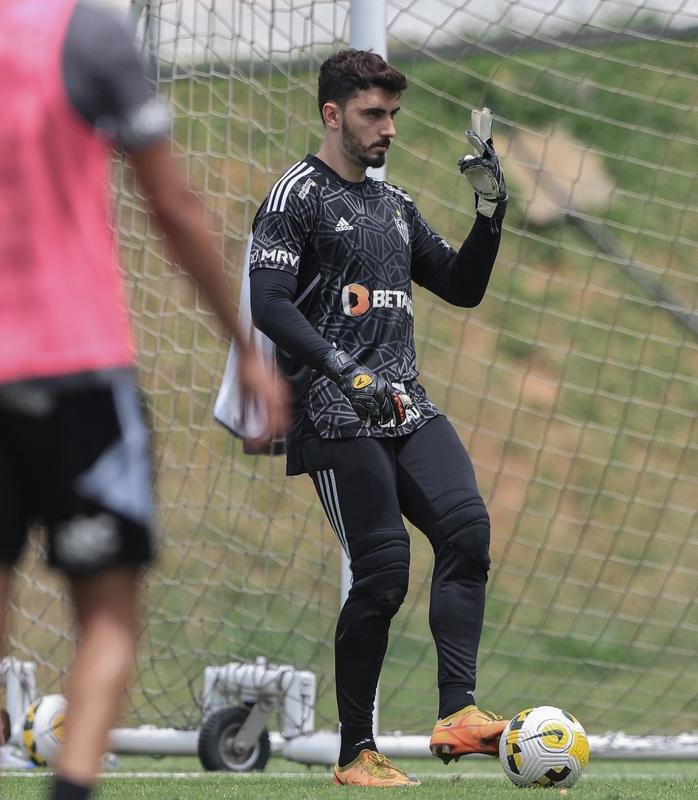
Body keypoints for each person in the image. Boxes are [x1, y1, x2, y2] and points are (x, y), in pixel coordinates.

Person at [0, 2, 290, 799]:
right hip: (79, 374)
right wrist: (245, 344)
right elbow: (172, 206)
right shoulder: (92, 37)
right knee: (108, 620)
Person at [244, 48, 509, 787]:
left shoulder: (394, 207)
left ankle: (458, 715)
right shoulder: (296, 194)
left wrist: (491, 213)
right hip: (331, 411)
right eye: (373, 114)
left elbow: (461, 285)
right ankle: (355, 752)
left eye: (393, 114)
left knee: (467, 531)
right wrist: (343, 369)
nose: (388, 128)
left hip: (402, 403)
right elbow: (267, 303)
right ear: (333, 115)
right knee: (385, 569)